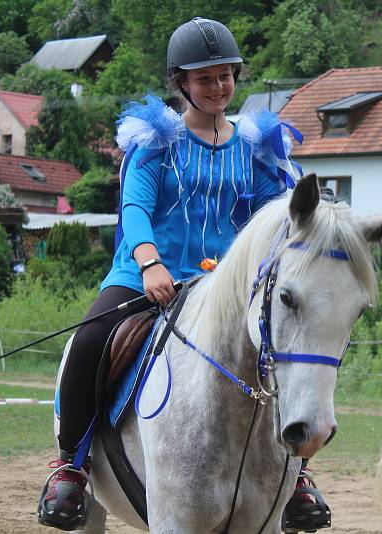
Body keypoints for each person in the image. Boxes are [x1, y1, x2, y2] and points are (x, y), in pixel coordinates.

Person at [38, 17, 329, 532]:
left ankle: (297, 472)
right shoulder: (156, 140)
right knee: (88, 342)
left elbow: (272, 218)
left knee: (284, 349)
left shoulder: (258, 147)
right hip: (147, 276)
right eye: (205, 78)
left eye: (226, 76)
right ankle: (72, 466)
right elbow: (134, 206)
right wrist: (150, 262)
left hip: (229, 287)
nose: (219, 88)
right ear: (181, 83)